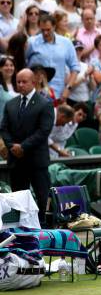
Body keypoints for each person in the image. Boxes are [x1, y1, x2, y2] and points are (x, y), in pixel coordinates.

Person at [0, 68, 54, 225]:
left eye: (24, 82)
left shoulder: (45, 104)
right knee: (17, 198)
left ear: (34, 82)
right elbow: (4, 128)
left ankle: (45, 228)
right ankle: (21, 229)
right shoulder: (11, 104)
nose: (21, 85)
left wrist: (23, 146)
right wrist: (12, 146)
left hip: (36, 159)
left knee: (43, 196)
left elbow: (44, 131)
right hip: (16, 160)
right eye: (18, 82)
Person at [25, 14, 79, 103]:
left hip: (58, 93)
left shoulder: (66, 43)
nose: (45, 33)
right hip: (35, 93)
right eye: (43, 30)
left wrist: (68, 88)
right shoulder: (32, 42)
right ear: (39, 27)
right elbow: (23, 63)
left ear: (54, 26)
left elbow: (75, 67)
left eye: (48, 30)